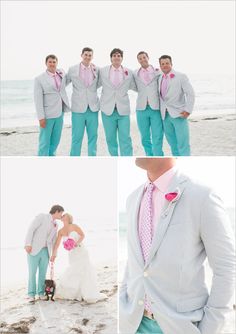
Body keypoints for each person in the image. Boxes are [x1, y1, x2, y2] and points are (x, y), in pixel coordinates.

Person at [119, 158, 235, 334]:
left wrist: (210, 328)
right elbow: (136, 259)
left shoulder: (202, 196)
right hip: (133, 323)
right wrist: (123, 301)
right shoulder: (132, 198)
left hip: (179, 326)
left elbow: (227, 267)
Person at [51, 213, 106, 303]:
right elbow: (57, 244)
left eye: (64, 215)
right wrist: (54, 254)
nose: (63, 216)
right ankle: (75, 293)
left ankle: (86, 292)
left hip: (81, 250)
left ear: (69, 218)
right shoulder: (60, 231)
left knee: (84, 270)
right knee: (74, 270)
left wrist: (76, 243)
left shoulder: (74, 226)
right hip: (72, 253)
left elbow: (82, 235)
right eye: (62, 215)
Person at [99, 48, 136, 156]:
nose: (117, 57)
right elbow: (93, 84)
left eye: (119, 55)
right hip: (107, 110)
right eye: (114, 55)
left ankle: (127, 158)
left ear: (122, 58)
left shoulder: (129, 72)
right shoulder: (103, 71)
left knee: (125, 138)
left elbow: (135, 86)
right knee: (110, 138)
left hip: (123, 110)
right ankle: (114, 158)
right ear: (111, 58)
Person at [24, 205, 64, 303]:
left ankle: (41, 293)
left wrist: (54, 254)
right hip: (33, 249)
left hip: (46, 251)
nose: (61, 215)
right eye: (61, 213)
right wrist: (28, 244)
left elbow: (54, 241)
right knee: (32, 273)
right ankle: (31, 295)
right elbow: (31, 229)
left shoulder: (56, 225)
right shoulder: (42, 217)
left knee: (42, 273)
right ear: (57, 211)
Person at [158, 55, 195, 156]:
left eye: (167, 63)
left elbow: (190, 93)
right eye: (163, 64)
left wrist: (188, 110)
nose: (165, 65)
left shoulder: (180, 76)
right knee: (172, 144)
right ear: (160, 66)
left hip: (179, 114)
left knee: (183, 143)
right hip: (164, 116)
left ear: (171, 64)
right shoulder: (159, 77)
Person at [34, 55, 70, 156]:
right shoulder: (39, 79)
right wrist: (41, 118)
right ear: (46, 63)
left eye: (54, 62)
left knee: (55, 141)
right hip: (47, 115)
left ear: (57, 63)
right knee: (44, 142)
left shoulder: (61, 73)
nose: (52, 64)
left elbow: (65, 83)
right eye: (50, 62)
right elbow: (38, 100)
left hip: (60, 113)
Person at [67, 47, 100, 156]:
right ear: (81, 55)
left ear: (92, 57)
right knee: (76, 138)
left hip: (93, 109)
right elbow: (63, 84)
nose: (87, 57)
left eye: (90, 55)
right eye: (85, 55)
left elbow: (98, 84)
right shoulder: (72, 69)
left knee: (93, 137)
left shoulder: (97, 69)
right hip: (78, 109)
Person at [133, 51, 163, 156]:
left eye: (144, 57)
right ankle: (149, 156)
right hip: (141, 109)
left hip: (155, 108)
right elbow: (134, 86)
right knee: (145, 137)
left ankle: (159, 156)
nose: (142, 60)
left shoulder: (158, 71)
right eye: (140, 58)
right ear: (138, 60)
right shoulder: (135, 73)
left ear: (148, 57)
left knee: (157, 136)